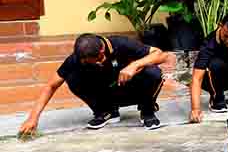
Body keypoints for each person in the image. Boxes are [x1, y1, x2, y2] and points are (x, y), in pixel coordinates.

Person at [18, 34, 171, 134]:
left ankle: (147, 111)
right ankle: (106, 112)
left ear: (102, 51)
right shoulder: (77, 59)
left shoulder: (120, 43)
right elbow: (51, 86)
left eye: (99, 60)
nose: (98, 64)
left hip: (133, 89)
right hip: (107, 92)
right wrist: (33, 118)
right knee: (72, 78)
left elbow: (161, 55)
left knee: (153, 72)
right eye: (92, 63)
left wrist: (134, 66)